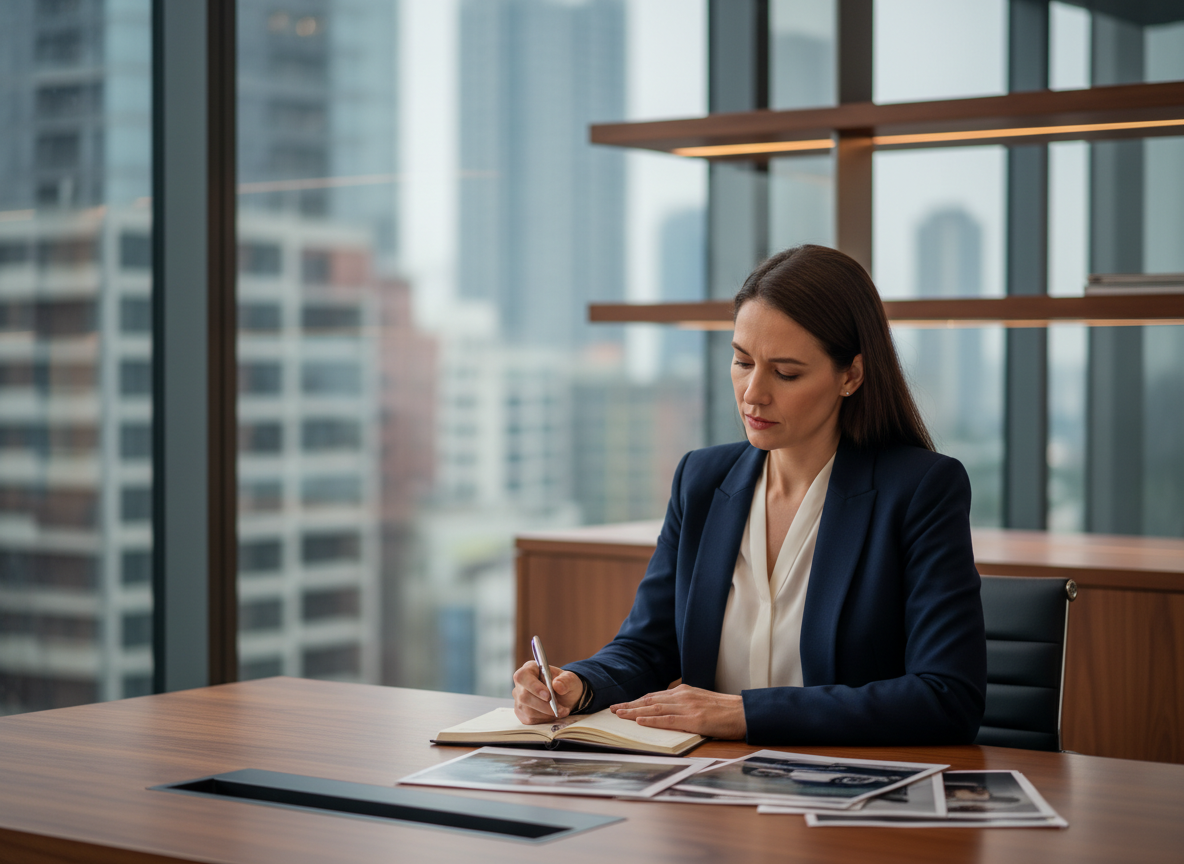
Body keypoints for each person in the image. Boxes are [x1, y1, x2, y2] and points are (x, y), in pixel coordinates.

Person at [512, 244, 986, 745]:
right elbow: (647, 647)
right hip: (708, 789)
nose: (753, 392)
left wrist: (743, 713)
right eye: (742, 361)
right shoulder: (701, 479)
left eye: (785, 373)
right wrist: (578, 686)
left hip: (842, 792)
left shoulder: (920, 490)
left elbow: (946, 697)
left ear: (851, 374)